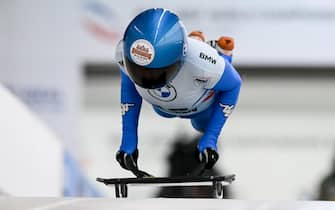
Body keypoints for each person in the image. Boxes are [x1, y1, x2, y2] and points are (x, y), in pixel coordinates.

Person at [115, 8, 242, 175]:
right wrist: (128, 141)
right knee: (166, 113)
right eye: (138, 70)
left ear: (181, 59)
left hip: (202, 107)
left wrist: (210, 138)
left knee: (201, 124)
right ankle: (200, 41)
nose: (149, 80)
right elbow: (129, 90)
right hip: (164, 107)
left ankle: (223, 54)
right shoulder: (122, 54)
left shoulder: (202, 62)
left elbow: (234, 85)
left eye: (158, 72)